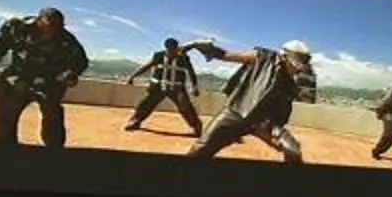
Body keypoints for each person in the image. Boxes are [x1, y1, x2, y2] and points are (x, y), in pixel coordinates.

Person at [0, 5, 89, 149]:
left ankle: (54, 148)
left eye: (57, 27)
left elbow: (80, 61)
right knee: (1, 98)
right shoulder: (16, 27)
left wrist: (71, 74)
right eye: (49, 25)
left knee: (52, 113)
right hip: (19, 74)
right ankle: (4, 140)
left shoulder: (66, 39)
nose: (52, 31)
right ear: (39, 20)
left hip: (50, 79)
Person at [189, 39, 317, 162]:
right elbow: (229, 55)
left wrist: (270, 137)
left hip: (264, 123)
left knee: (293, 150)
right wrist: (210, 49)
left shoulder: (292, 85)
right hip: (236, 114)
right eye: (295, 65)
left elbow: (279, 117)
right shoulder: (263, 57)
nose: (298, 70)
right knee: (200, 149)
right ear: (284, 57)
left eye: (301, 67)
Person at [123, 36, 204, 137]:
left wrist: (194, 87)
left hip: (177, 89)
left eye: (174, 49)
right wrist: (132, 76)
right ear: (166, 48)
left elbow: (191, 72)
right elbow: (146, 66)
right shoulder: (159, 56)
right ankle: (135, 121)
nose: (172, 52)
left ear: (177, 48)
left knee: (186, 107)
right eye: (170, 49)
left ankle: (196, 127)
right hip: (158, 87)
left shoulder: (184, 58)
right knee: (145, 103)